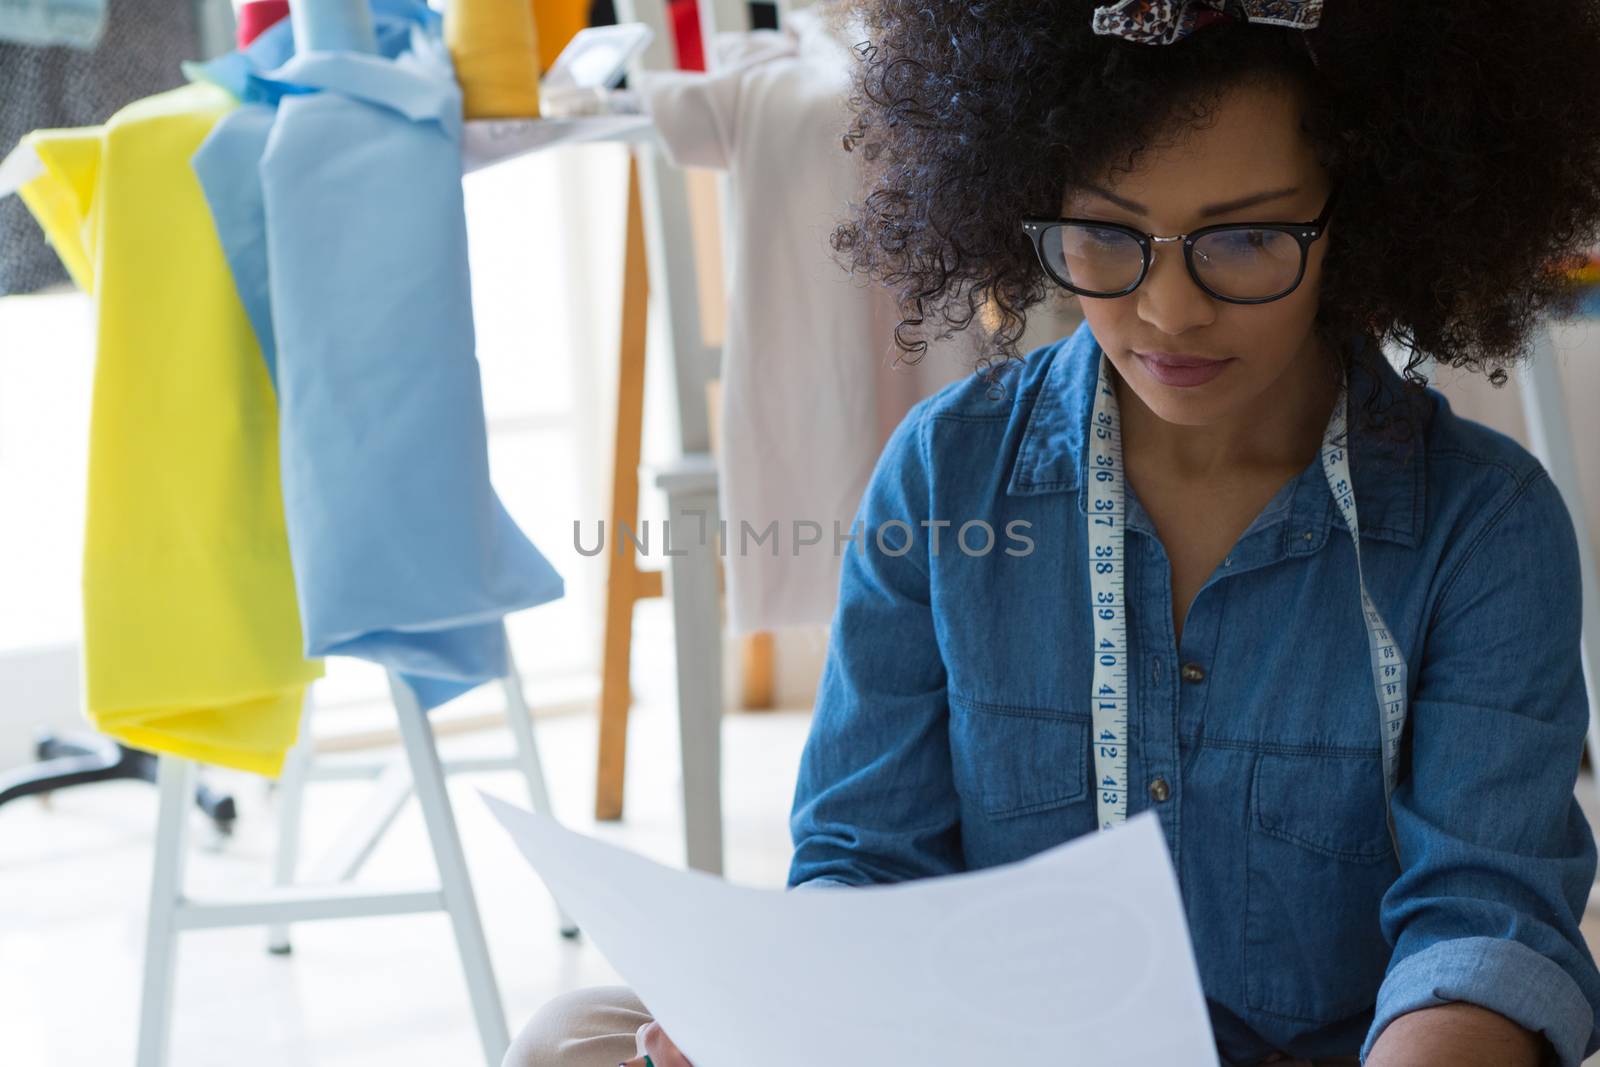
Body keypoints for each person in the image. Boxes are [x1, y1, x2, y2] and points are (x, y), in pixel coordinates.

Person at [506, 1, 1600, 1064]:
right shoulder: (946, 473)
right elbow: (863, 853)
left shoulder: (1482, 527)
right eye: (1106, 235)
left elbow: (1480, 924)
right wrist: (792, 1002)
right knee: (572, 1040)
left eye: (1248, 237)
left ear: (1359, 217)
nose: (1169, 312)